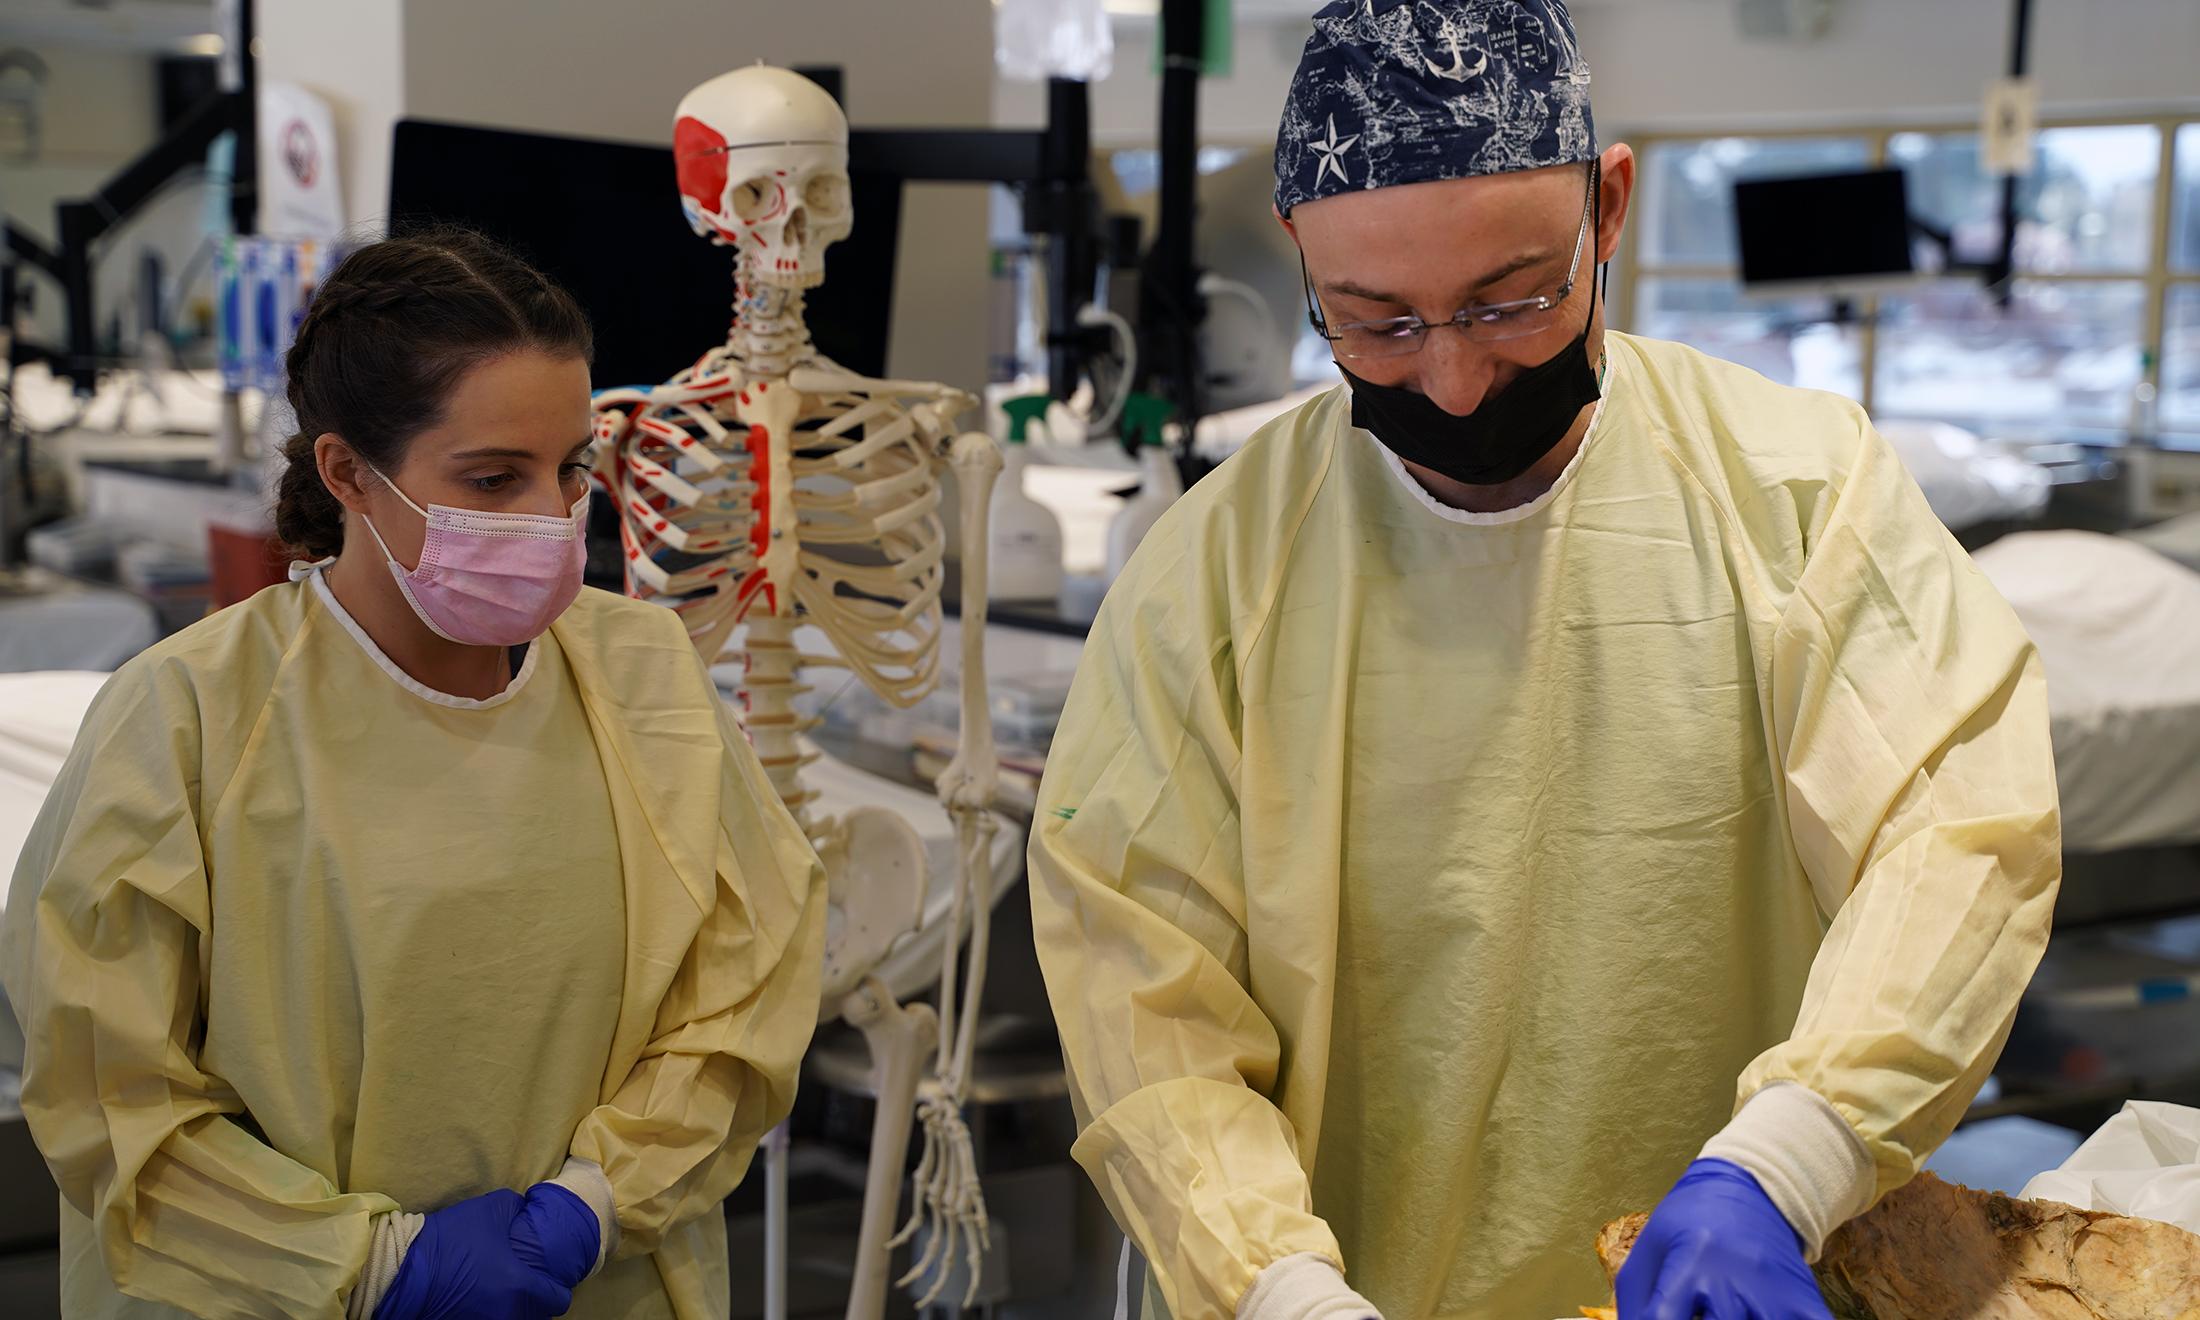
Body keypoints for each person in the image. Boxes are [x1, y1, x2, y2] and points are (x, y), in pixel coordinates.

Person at [1026, 3, 2061, 1318]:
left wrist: (1789, 1163)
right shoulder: (1213, 578)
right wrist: (1276, 1287)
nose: (1454, 382)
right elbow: (1142, 990)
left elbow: (1958, 837)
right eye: (1377, 322)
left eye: (1511, 302)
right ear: (1299, 257)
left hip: (1747, 1263)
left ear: (1610, 209)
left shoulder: (1801, 497)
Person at [0, 229, 828, 1320]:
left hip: (600, 1283)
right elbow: (109, 1092)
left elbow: (747, 983)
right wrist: (368, 1268)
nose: (548, 518)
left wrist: (594, 1201)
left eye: (571, 469)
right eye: (493, 478)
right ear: (347, 471)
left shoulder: (642, 678)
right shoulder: (192, 716)